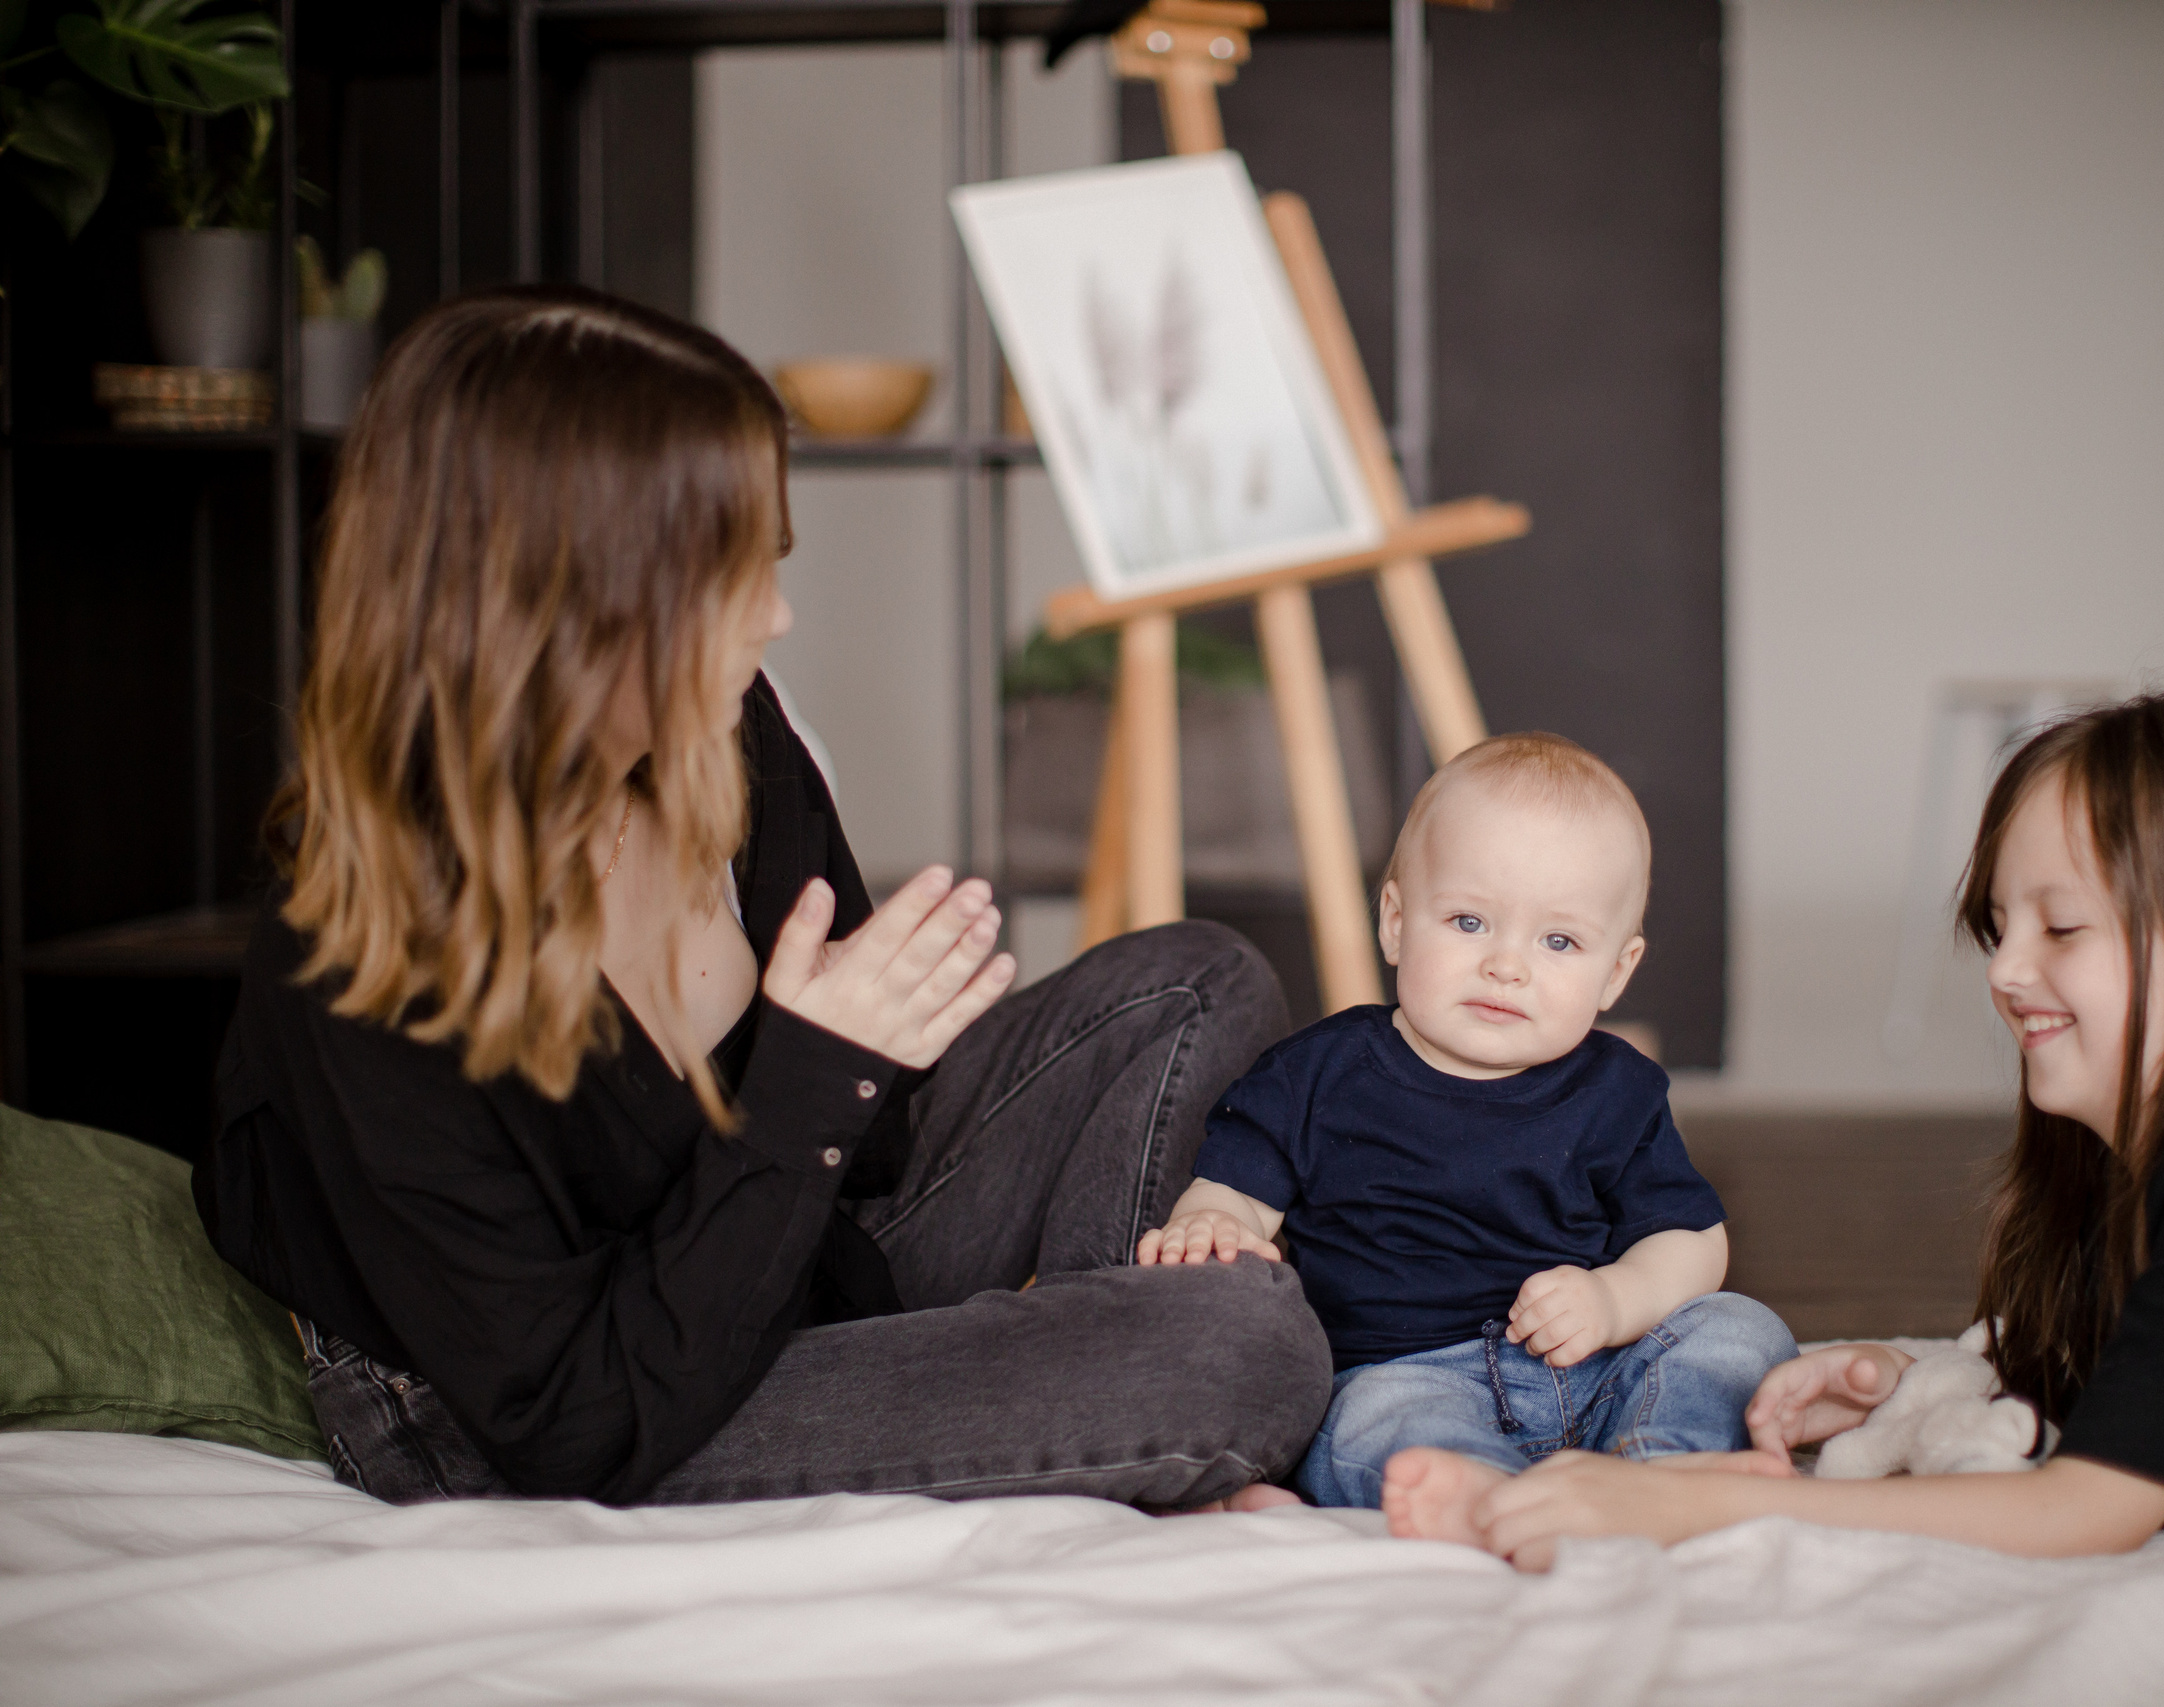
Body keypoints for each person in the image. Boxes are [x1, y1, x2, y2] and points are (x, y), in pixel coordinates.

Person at [193, 285, 1332, 1510]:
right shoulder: (369, 945)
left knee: (1195, 979)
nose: (777, 617)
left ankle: (1062, 1384)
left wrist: (865, 1042)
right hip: (548, 1413)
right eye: (730, 577)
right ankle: (1089, 1393)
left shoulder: (729, 736)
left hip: (781, 1262)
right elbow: (567, 1414)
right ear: (565, 604)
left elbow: (869, 1155)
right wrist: (817, 1071)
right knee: (1238, 1343)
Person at [1454, 693, 2164, 1567]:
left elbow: (2087, 1511)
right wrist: (1907, 1381)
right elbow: (2152, 1386)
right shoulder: (2156, 1151)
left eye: (2061, 926)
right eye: (1998, 926)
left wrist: (1681, 1511)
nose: (2006, 971)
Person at [1135, 733, 1796, 1532]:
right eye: (1470, 920)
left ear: (1615, 972)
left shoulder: (1616, 1090)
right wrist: (1215, 1219)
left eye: (1559, 941)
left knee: (1738, 1329)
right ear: (1396, 921)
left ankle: (1664, 1464)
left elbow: (1694, 1241)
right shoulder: (1320, 1071)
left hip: (1592, 1366)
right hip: (1405, 1374)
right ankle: (1486, 1496)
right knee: (1373, 1421)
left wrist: (1616, 1297)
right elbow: (1240, 1186)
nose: (1507, 965)